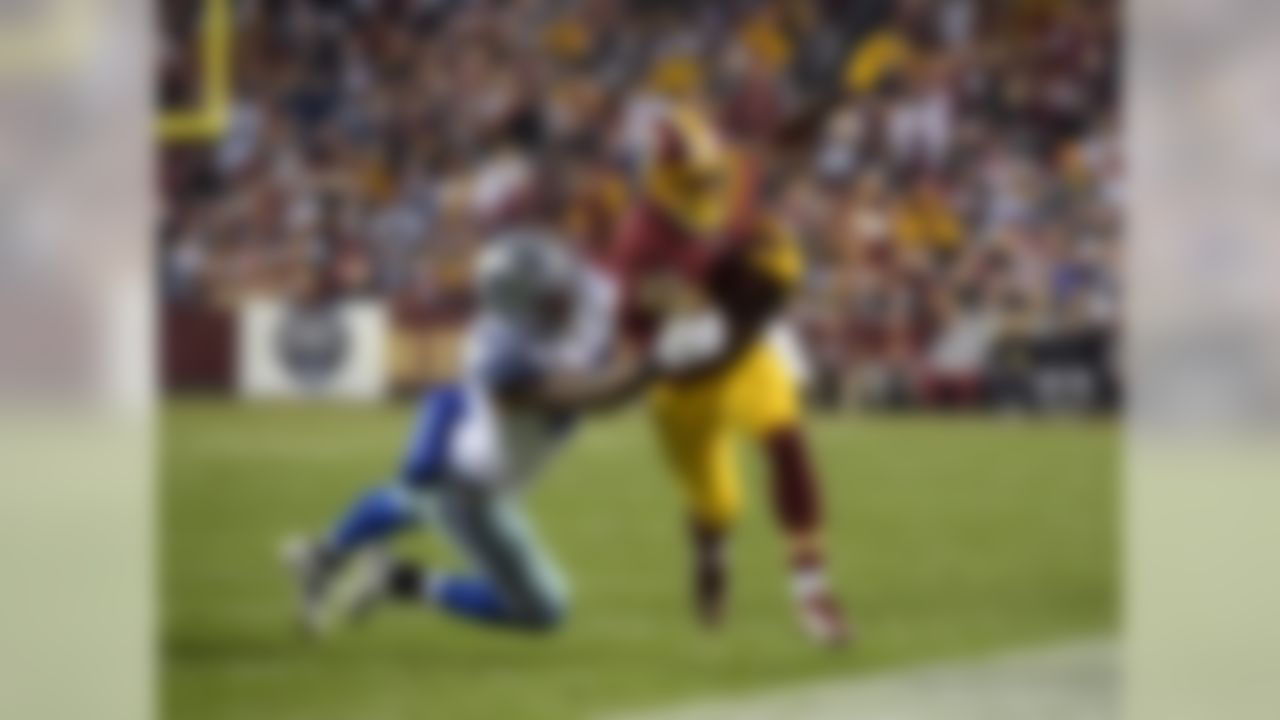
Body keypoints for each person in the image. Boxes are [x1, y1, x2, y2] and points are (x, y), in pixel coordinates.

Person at [283, 228, 649, 634]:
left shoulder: (594, 287)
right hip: (474, 487)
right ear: (520, 309)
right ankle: (364, 569)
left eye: (557, 292)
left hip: (485, 457)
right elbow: (582, 396)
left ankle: (341, 561)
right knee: (542, 609)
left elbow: (643, 303)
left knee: (415, 498)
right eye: (544, 304)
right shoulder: (501, 348)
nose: (560, 306)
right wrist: (652, 368)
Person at [610, 104, 850, 646]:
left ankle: (811, 592)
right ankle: (711, 552)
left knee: (787, 442)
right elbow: (673, 327)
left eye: (711, 170)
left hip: (742, 357)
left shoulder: (731, 172)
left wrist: (774, 280)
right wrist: (744, 295)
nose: (707, 183)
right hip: (681, 383)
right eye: (692, 175)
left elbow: (775, 152)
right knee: (718, 506)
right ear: (657, 173)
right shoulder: (642, 241)